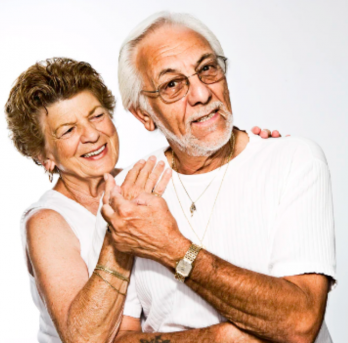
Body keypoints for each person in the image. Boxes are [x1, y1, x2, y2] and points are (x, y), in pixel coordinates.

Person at [98, 12, 336, 343]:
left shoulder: (294, 160)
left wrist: (171, 248)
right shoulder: (129, 192)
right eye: (172, 85)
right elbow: (117, 338)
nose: (201, 94)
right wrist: (222, 338)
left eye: (207, 69)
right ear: (144, 114)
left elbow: (300, 323)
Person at [5, 57, 276, 343]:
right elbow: (83, 339)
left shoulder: (144, 178)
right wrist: (120, 234)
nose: (92, 134)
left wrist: (252, 155)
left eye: (96, 115)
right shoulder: (47, 222)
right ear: (44, 156)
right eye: (69, 130)